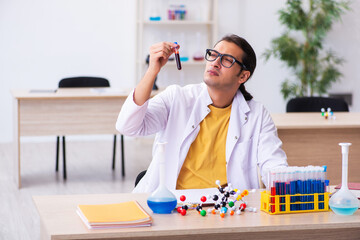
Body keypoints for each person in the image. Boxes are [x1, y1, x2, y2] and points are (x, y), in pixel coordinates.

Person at [116, 34, 288, 193]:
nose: (215, 62)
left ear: (242, 76)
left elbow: (273, 165)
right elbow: (128, 126)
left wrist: (288, 184)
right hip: (173, 204)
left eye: (227, 60)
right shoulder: (177, 98)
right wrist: (152, 71)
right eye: (213, 55)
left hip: (227, 209)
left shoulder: (257, 114)